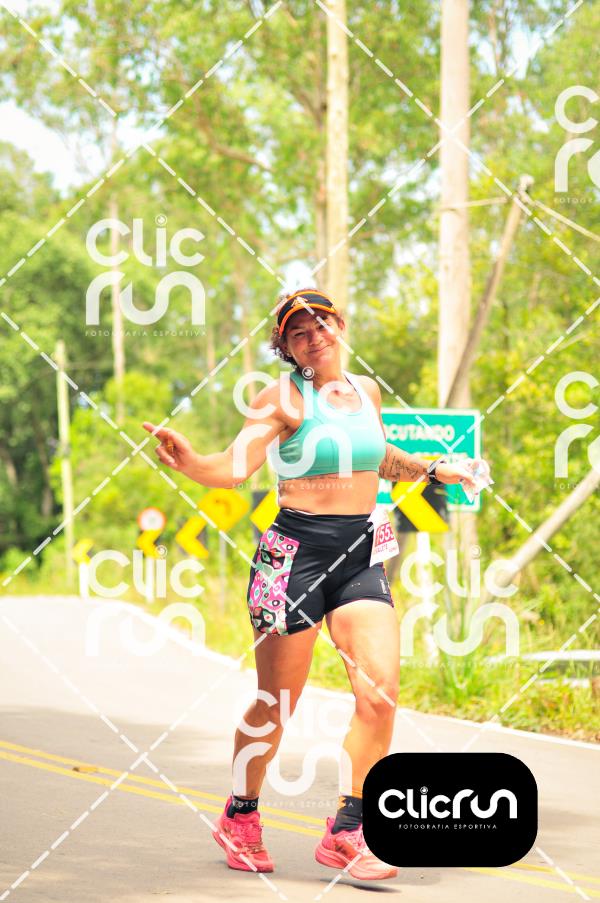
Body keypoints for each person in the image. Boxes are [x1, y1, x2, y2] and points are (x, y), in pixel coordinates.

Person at [142, 288, 480, 881]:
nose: (314, 336)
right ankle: (240, 814)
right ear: (288, 348)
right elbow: (233, 467)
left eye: (321, 323)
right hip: (291, 558)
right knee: (277, 701)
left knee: (380, 694)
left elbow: (376, 456)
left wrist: (431, 469)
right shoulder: (281, 399)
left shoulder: (366, 392)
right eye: (298, 332)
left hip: (358, 554)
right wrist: (191, 463)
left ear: (339, 325)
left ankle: (349, 829)